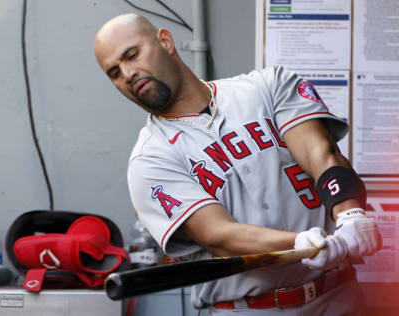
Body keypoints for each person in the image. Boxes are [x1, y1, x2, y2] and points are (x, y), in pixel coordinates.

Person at [94, 13, 382, 315]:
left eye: (132, 55)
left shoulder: (268, 87)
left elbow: (320, 153)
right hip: (249, 309)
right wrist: (302, 243)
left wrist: (349, 213)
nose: (127, 73)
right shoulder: (149, 160)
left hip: (339, 297)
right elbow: (218, 235)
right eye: (114, 72)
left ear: (165, 41)